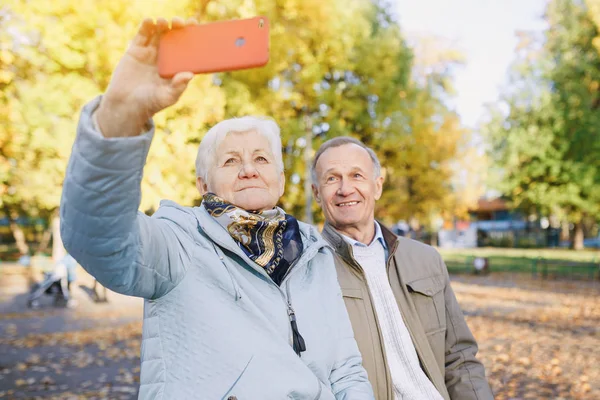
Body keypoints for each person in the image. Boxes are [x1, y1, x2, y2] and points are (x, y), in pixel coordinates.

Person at [60, 17, 373, 400]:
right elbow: (98, 239)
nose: (247, 169)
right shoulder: (179, 241)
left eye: (261, 158)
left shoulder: (313, 250)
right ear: (203, 185)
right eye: (229, 162)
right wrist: (119, 116)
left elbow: (345, 367)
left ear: (280, 177)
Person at [311, 136, 494, 400]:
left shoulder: (425, 259)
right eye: (331, 179)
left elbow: (459, 358)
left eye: (356, 175)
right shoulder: (307, 271)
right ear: (317, 193)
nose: (345, 188)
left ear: (377, 186)